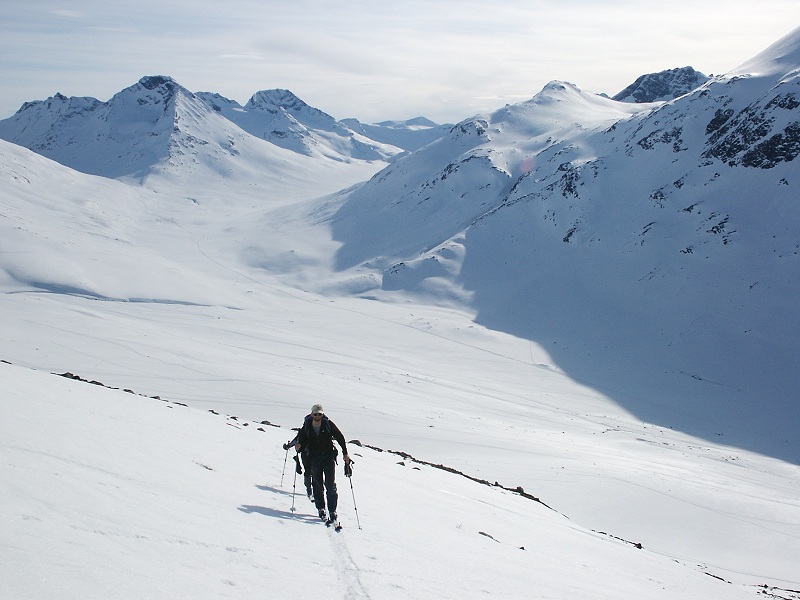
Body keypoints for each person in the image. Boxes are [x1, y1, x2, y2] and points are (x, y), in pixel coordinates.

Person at [295, 403, 351, 523]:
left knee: (330, 485)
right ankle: (321, 508)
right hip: (315, 459)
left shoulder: (328, 424)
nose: (318, 416)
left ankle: (332, 510)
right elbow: (303, 440)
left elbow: (340, 437)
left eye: (320, 414)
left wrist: (345, 453)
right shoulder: (307, 426)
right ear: (312, 414)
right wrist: (299, 447)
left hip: (328, 458)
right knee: (317, 485)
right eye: (316, 414)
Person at [283, 427, 312, 501]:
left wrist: (288, 446)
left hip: (305, 454)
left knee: (308, 471)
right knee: (313, 471)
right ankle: (312, 490)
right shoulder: (308, 430)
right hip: (312, 454)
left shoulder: (303, 431)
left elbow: (296, 440)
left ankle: (309, 489)